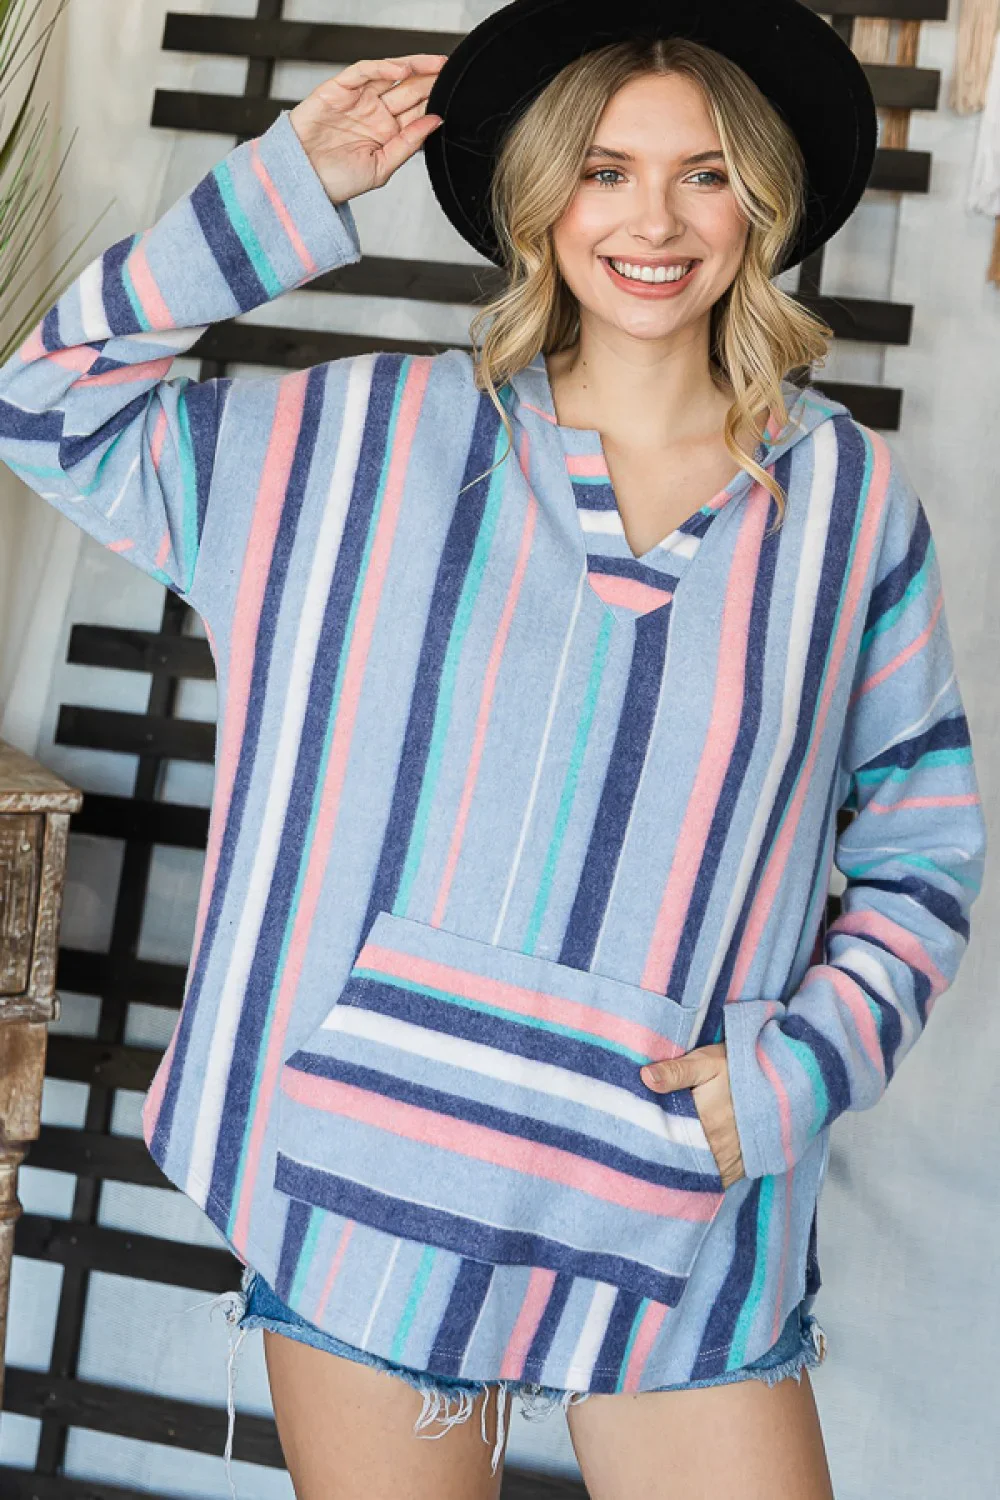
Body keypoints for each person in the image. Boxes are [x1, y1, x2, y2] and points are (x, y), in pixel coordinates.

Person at [0, 1, 986, 1496]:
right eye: (603, 170)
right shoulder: (354, 441)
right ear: (538, 196)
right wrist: (292, 180)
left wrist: (801, 1069)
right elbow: (43, 406)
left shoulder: (847, 504)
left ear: (762, 203)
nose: (653, 221)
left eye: (705, 174)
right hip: (371, 1179)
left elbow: (925, 847)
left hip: (676, 1197)